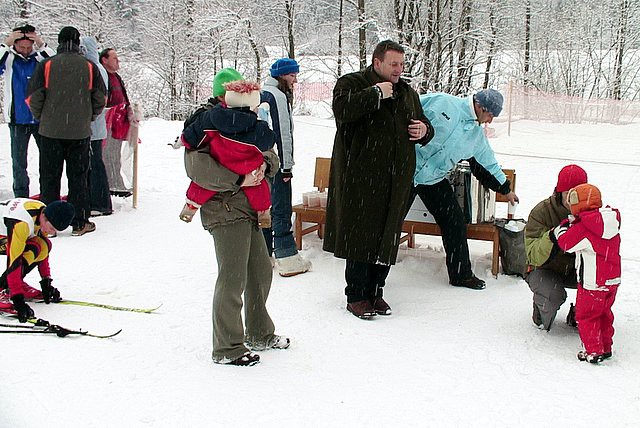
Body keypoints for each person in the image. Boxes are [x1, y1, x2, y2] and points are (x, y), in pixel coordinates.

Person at [323, 40, 432, 319]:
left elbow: (422, 124)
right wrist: (374, 94)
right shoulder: (352, 83)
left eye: (402, 64)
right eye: (394, 64)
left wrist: (425, 130)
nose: (399, 69)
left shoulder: (407, 92)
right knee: (362, 234)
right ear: (377, 62)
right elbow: (342, 111)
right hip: (362, 175)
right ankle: (357, 294)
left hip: (397, 179)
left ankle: (376, 291)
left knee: (386, 235)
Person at [183, 96, 290, 367]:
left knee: (260, 270)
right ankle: (227, 347)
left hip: (251, 208)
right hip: (225, 209)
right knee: (232, 277)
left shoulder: (249, 125)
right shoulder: (204, 126)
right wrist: (239, 178)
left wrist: (264, 166)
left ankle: (258, 332)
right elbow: (198, 169)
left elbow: (269, 155)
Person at [410, 89, 519, 290]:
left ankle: (461, 274)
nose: (490, 121)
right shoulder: (443, 102)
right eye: (491, 115)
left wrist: (505, 188)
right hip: (405, 170)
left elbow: (488, 164)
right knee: (387, 221)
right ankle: (371, 274)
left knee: (455, 221)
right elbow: (405, 108)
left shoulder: (476, 136)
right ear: (480, 107)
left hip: (433, 179)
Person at [26, 26, 106, 236]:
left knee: (50, 177)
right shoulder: (89, 66)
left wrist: (42, 117)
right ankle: (79, 222)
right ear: (78, 42)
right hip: (79, 132)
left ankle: (48, 225)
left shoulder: (47, 64)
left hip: (50, 131)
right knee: (78, 178)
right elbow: (101, 98)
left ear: (59, 42)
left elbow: (33, 97)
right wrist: (88, 116)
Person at [179, 80, 274, 228]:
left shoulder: (212, 118)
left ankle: (190, 207)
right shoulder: (256, 127)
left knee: (200, 186)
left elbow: (194, 135)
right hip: (246, 166)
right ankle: (263, 212)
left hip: (221, 161)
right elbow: (268, 143)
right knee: (258, 186)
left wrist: (184, 140)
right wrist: (264, 162)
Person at [552, 184, 621, 363]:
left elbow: (566, 244)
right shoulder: (609, 222)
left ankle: (593, 350)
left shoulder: (584, 228)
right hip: (612, 279)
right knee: (604, 313)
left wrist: (560, 229)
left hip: (593, 282)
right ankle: (606, 346)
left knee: (586, 316)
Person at [261, 57, 312, 277]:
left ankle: (264, 255)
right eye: (292, 75)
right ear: (282, 75)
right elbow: (283, 133)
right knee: (281, 208)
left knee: (264, 208)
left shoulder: (263, 93)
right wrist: (287, 166)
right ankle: (287, 258)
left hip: (263, 161)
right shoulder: (278, 96)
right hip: (277, 162)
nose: (295, 80)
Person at [525, 164, 588, 331]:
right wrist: (551, 237)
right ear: (559, 192)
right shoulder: (541, 212)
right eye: (569, 194)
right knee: (552, 295)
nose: (572, 200)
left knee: (599, 287)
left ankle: (581, 313)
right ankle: (540, 309)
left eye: (577, 195)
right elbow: (532, 255)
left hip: (578, 270)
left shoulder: (591, 212)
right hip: (546, 269)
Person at [0, 23, 55, 198]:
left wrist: (40, 43)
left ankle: (48, 194)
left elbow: (56, 62)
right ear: (15, 45)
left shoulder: (39, 58)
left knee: (47, 160)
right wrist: (6, 44)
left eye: (28, 46)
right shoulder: (9, 59)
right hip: (17, 118)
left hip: (40, 118)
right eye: (21, 46)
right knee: (19, 162)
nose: (25, 50)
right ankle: (21, 197)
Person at [0, 198, 75, 322]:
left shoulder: (44, 212)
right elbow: (14, 261)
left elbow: (43, 251)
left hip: (9, 235)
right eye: (51, 228)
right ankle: (4, 288)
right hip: (8, 232)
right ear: (44, 217)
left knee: (44, 245)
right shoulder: (21, 222)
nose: (51, 232)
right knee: (32, 248)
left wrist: (46, 280)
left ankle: (13, 284)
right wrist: (17, 298)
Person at [80, 36, 112, 217]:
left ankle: (99, 202)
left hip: (93, 126)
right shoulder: (95, 68)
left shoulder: (94, 69)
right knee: (94, 164)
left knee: (94, 165)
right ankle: (98, 200)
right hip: (94, 126)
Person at [100, 48, 133, 197]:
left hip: (118, 122)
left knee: (115, 154)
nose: (118, 62)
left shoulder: (116, 77)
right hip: (108, 122)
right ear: (104, 60)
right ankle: (113, 185)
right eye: (114, 59)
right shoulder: (103, 76)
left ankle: (116, 183)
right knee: (108, 154)